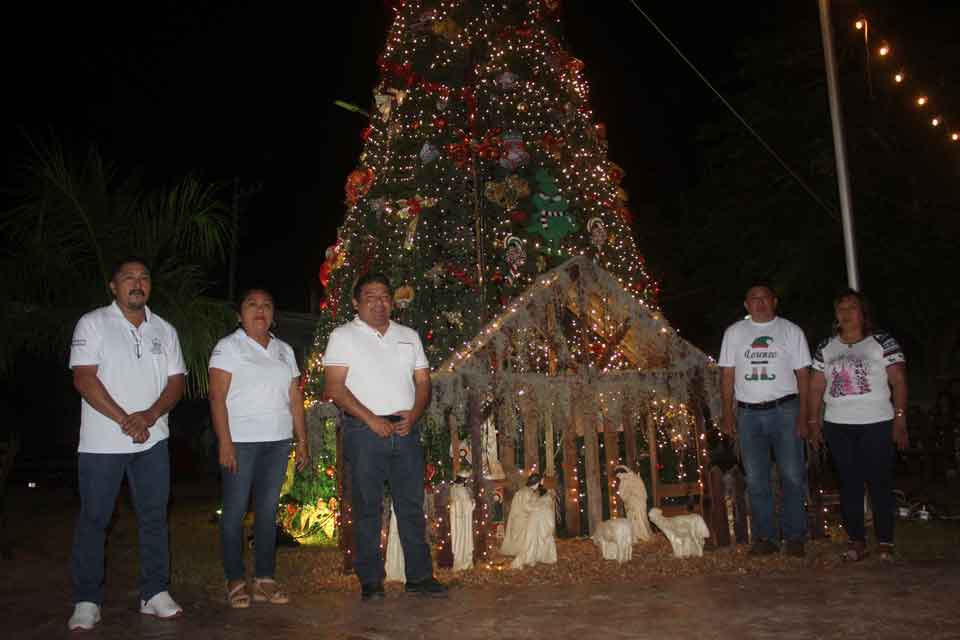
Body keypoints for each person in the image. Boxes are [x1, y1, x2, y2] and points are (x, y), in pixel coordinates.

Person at [67, 257, 186, 631]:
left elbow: (176, 383)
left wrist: (148, 417)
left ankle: (154, 592)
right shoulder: (93, 323)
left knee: (154, 516)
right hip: (102, 443)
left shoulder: (164, 330)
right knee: (95, 519)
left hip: (153, 440)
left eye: (143, 278)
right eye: (128, 278)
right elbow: (84, 379)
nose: (137, 284)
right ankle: (87, 599)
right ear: (113, 286)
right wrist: (125, 420)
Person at [322, 273, 447, 601]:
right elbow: (335, 387)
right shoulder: (343, 336)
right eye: (370, 297)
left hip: (406, 431)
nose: (379, 303)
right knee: (367, 507)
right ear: (356, 302)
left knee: (410, 505)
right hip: (364, 431)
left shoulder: (408, 336)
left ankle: (419, 577)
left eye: (384, 297)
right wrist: (372, 420)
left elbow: (423, 382)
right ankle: (371, 581)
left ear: (392, 301)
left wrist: (414, 414)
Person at [208, 288, 309, 608]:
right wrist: (225, 442)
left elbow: (295, 398)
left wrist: (302, 440)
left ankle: (265, 578)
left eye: (266, 304)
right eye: (252, 305)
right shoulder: (228, 348)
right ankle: (235, 579)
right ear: (240, 314)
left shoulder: (284, 350)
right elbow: (217, 398)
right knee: (235, 513)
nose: (260, 310)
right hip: (240, 441)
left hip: (277, 441)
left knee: (267, 513)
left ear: (274, 314)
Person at [808, 289, 908, 561]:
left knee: (879, 481)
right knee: (849, 483)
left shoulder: (881, 341)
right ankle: (856, 541)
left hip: (876, 421)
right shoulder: (826, 346)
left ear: (863, 313)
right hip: (838, 424)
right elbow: (816, 387)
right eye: (841, 309)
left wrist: (900, 417)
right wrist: (813, 420)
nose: (846, 314)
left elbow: (898, 380)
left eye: (852, 308)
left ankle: (885, 541)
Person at [718, 284, 812, 557]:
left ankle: (795, 537)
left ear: (775, 301)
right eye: (753, 299)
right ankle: (765, 537)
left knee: (792, 475)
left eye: (764, 298)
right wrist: (727, 412)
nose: (759, 303)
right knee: (756, 478)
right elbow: (727, 376)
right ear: (746, 305)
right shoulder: (734, 333)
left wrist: (804, 415)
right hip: (748, 413)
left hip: (785, 410)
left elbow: (804, 376)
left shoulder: (791, 331)